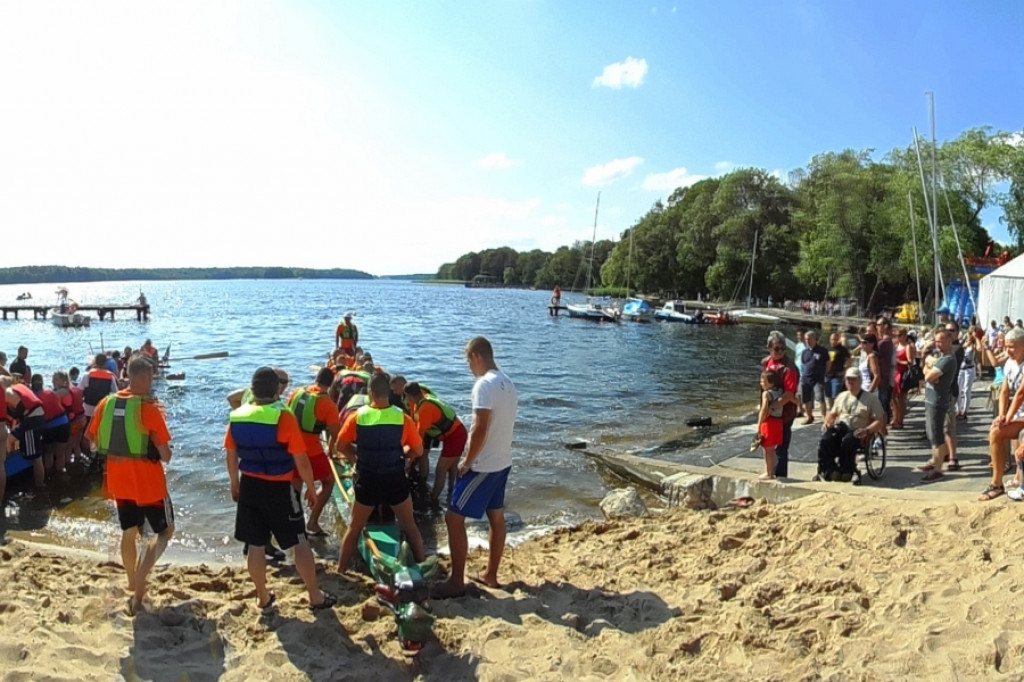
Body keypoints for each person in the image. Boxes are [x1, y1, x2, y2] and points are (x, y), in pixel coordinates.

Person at [225, 367, 335, 612]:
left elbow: (231, 455)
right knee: (299, 541)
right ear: (276, 389)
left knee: (255, 544)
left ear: (252, 390)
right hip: (280, 487)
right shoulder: (283, 416)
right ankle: (315, 596)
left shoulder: (238, 416)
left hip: (250, 485)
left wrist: (234, 483)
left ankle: (262, 597)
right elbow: (301, 459)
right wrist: (310, 486)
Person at [86, 356, 174, 615]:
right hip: (149, 485)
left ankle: (130, 579)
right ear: (146, 378)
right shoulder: (149, 409)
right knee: (164, 532)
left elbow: (91, 442)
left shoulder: (106, 403)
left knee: (129, 532)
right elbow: (166, 455)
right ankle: (140, 581)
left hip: (118, 483)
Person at [434, 337, 518, 598]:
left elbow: (479, 428)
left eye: (467, 361)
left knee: (453, 517)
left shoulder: (483, 385)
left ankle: (457, 582)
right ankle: (491, 575)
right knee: (496, 516)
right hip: (502, 460)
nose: (468, 368)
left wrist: (467, 462)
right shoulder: (508, 383)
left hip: (483, 465)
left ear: (476, 357)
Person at [335, 373, 427, 573]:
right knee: (410, 526)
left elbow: (340, 446)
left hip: (367, 479)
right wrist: (404, 458)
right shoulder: (402, 418)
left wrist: (356, 457)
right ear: (389, 393)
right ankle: (421, 567)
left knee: (354, 527)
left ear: (370, 393)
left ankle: (340, 570)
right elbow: (418, 451)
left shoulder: (357, 416)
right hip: (395, 479)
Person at [286, 368, 341, 536]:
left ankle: (294, 526)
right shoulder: (327, 404)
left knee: (295, 487)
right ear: (331, 385)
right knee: (329, 481)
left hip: (290, 449)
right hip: (311, 452)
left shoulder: (297, 393)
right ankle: (313, 522)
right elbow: (337, 435)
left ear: (316, 379)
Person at [404, 382, 469, 506]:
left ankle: (433, 500)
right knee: (451, 467)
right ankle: (452, 494)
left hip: (455, 437)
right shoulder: (424, 396)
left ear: (410, 397)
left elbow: (419, 440)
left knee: (441, 470)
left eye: (406, 398)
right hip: (458, 432)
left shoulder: (425, 409)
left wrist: (410, 460)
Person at [816, 367, 885, 482]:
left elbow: (880, 420)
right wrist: (827, 422)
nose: (850, 382)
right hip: (842, 427)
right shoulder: (842, 396)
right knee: (825, 439)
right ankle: (830, 469)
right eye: (848, 379)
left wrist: (867, 430)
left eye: (853, 379)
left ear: (860, 380)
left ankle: (847, 470)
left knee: (848, 440)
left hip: (859, 430)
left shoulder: (871, 399)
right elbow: (832, 413)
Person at [985, 327, 1024, 501]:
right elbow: (1005, 392)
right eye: (1006, 346)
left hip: (1020, 413)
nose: (1008, 350)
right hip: (1019, 414)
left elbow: (1020, 394)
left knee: (1018, 446)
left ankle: (1019, 481)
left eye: (1012, 346)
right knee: (995, 432)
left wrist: (1007, 419)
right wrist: (1001, 415)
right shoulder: (1009, 363)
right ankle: (996, 483)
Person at [920, 328, 959, 482]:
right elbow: (926, 371)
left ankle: (938, 469)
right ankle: (935, 461)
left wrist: (929, 369)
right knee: (931, 433)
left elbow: (929, 376)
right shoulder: (940, 357)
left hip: (938, 401)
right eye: (936, 341)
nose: (938, 344)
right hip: (931, 399)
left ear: (949, 341)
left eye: (941, 341)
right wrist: (929, 367)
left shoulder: (948, 359)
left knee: (936, 434)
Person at [762, 331, 799, 479]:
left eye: (782, 348)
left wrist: (772, 407)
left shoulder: (789, 368)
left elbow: (789, 394)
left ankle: (781, 476)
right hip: (771, 411)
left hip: (784, 412)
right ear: (769, 348)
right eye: (776, 348)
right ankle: (770, 471)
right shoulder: (766, 363)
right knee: (767, 443)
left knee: (781, 446)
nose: (780, 351)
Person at [4, 377, 47, 488]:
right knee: (12, 437)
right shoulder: (20, 387)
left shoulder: (8, 392)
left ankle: (39, 486)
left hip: (31, 420)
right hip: (38, 417)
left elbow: (19, 411)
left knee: (36, 457)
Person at [755, 371, 784, 481]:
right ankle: (771, 471)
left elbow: (764, 409)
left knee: (767, 449)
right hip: (778, 422)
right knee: (772, 449)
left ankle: (769, 473)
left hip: (769, 423)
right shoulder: (781, 391)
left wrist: (759, 424)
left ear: (770, 383)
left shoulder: (766, 394)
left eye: (763, 381)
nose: (761, 383)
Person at [799, 331, 829, 424]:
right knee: (806, 399)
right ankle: (809, 417)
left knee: (820, 398)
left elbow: (828, 364)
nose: (807, 341)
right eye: (806, 339)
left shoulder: (822, 351)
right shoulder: (804, 352)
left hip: (818, 379)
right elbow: (804, 364)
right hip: (806, 378)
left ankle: (824, 417)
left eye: (809, 339)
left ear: (814, 339)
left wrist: (824, 373)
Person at [891, 328, 917, 429]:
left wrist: (898, 361)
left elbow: (910, 362)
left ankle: (900, 420)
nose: (897, 337)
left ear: (904, 336)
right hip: (895, 373)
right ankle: (895, 418)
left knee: (901, 399)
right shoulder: (896, 346)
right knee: (893, 399)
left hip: (902, 374)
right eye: (896, 335)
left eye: (899, 335)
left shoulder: (907, 347)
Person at [956, 326, 981, 421]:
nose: (970, 335)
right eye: (970, 333)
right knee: (957, 390)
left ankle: (965, 411)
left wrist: (977, 338)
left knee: (966, 390)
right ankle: (958, 410)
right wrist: (963, 344)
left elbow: (979, 349)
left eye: (972, 334)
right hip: (961, 369)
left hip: (969, 369)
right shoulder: (963, 341)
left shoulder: (974, 344)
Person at [825, 332, 850, 410]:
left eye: (835, 339)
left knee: (836, 395)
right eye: (832, 339)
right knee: (829, 396)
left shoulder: (842, 349)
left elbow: (849, 360)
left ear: (838, 340)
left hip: (837, 376)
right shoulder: (827, 349)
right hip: (828, 375)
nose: (833, 341)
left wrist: (845, 371)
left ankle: (838, 411)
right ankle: (831, 411)